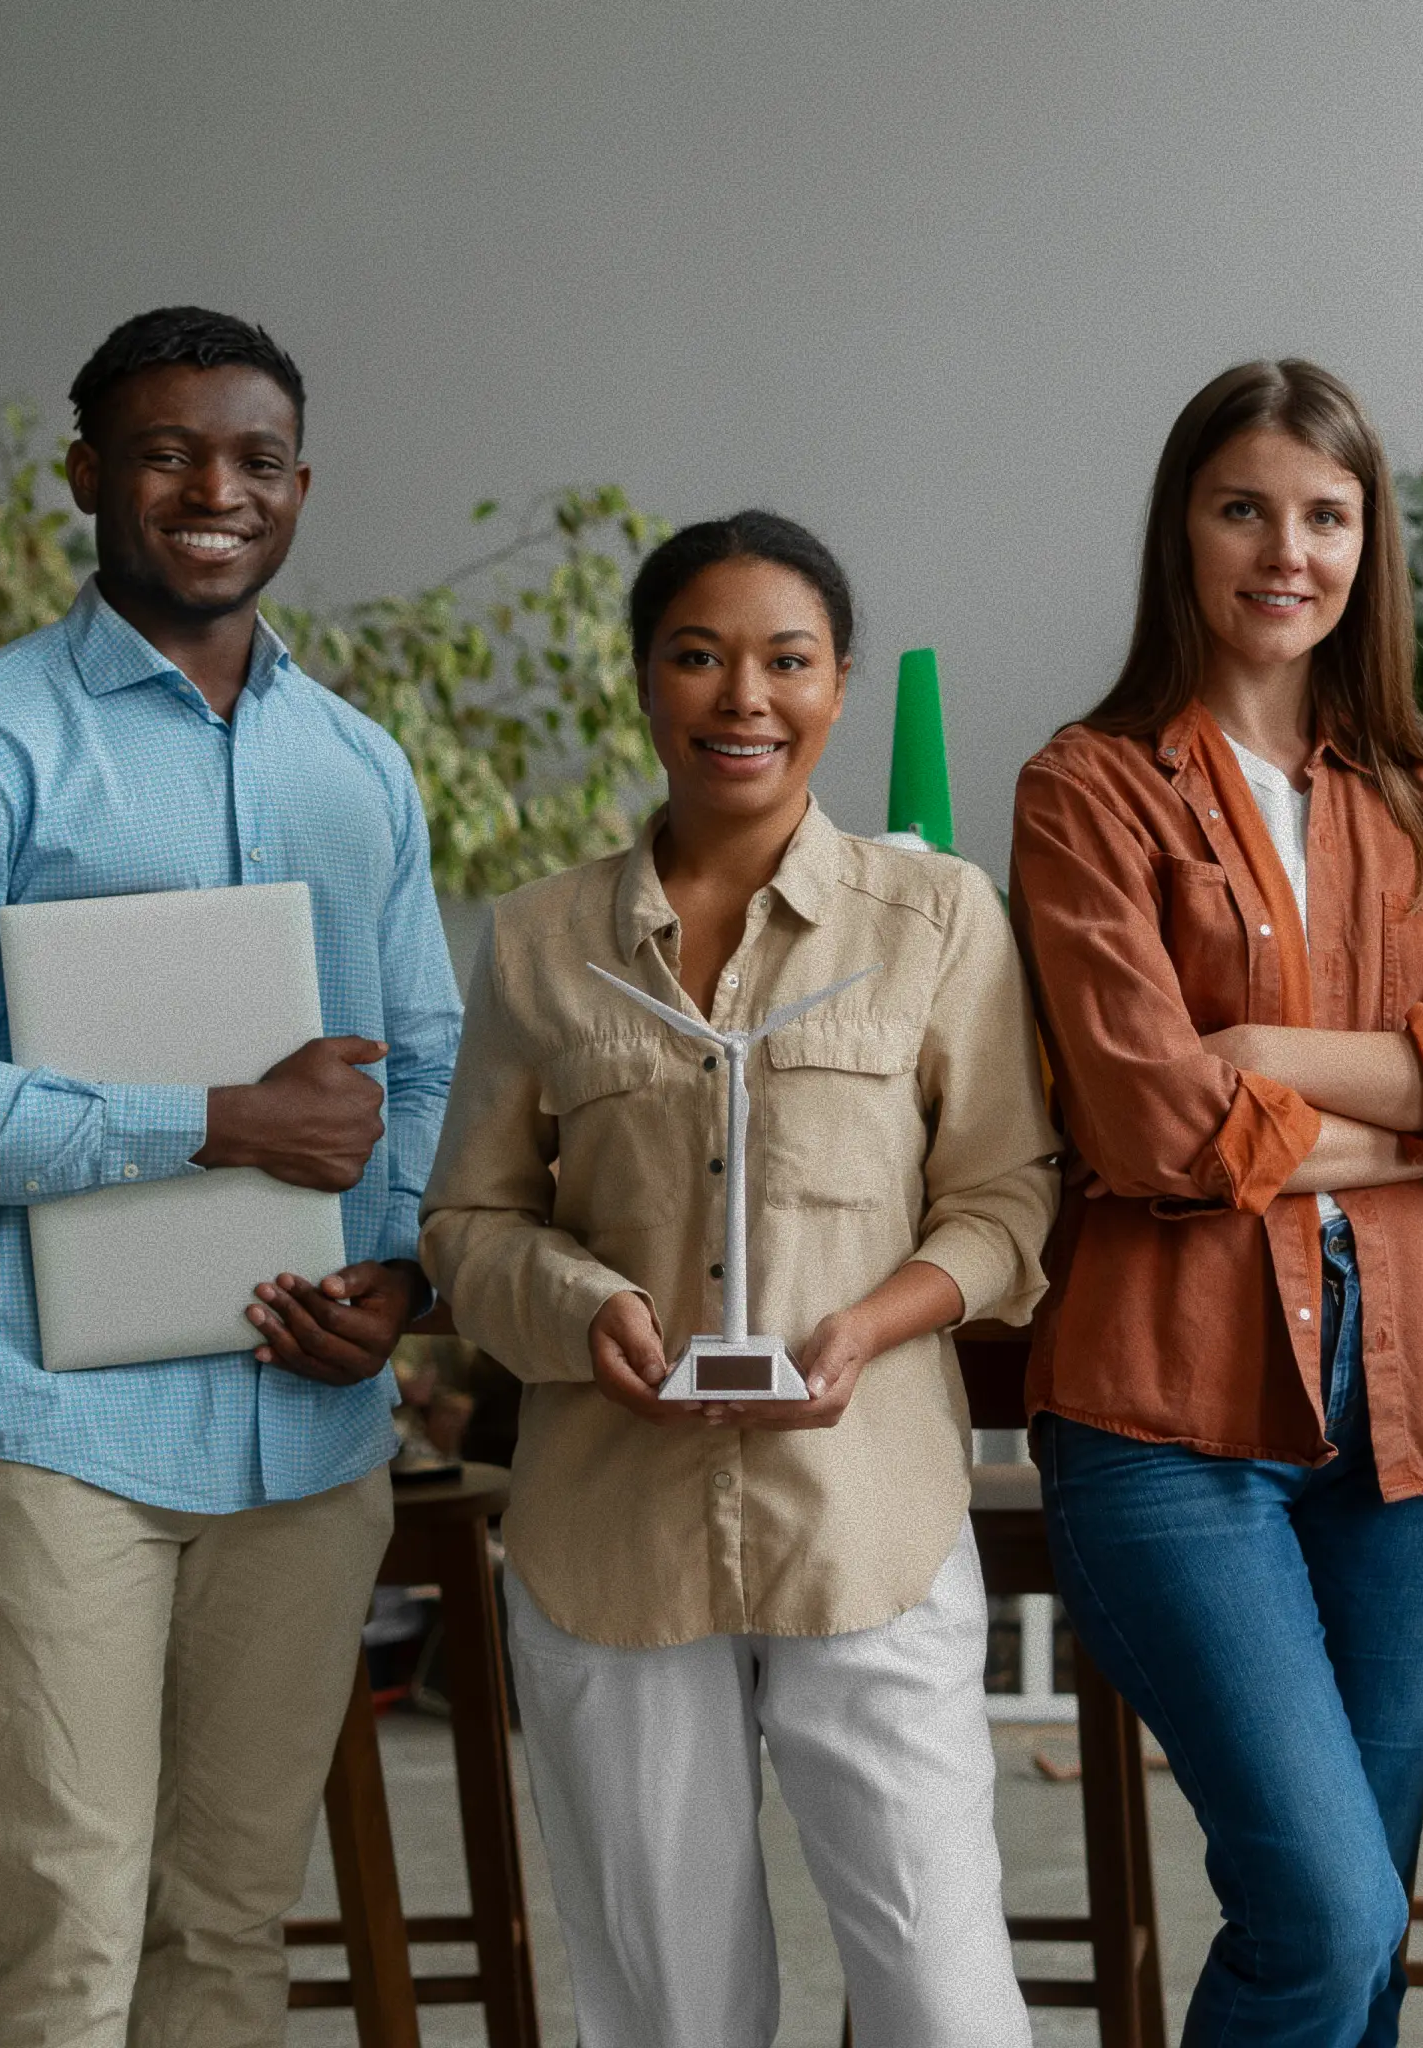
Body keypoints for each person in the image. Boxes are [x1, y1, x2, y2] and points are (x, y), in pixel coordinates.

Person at [0, 307, 460, 2046]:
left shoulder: (357, 763)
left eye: (251, 460)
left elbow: (428, 1058)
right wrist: (212, 1120)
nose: (211, 492)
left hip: (305, 1432)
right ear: (89, 475)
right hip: (61, 1436)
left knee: (230, 1932)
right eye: (166, 453)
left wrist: (397, 1281)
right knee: (65, 1935)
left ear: (301, 488)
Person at [420, 511, 1058, 2047]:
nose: (743, 697)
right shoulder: (538, 944)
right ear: (645, 683)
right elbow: (468, 1226)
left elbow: (1008, 1205)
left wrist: (872, 1324)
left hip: (870, 1523)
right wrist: (586, 1310)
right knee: (662, 2005)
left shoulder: (941, 920)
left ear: (839, 684)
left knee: (941, 1988)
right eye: (699, 657)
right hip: (610, 1538)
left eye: (787, 660)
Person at [1008, 358, 1423, 2047]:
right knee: (1328, 1912)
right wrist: (1416, 1116)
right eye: (1243, 507)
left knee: (1366, 1928)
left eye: (1325, 516)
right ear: (1182, 530)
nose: (1286, 549)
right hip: (1170, 1419)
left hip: (1416, 1418)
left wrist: (1264, 1049)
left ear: (1367, 545)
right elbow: (1152, 1121)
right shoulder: (1088, 788)